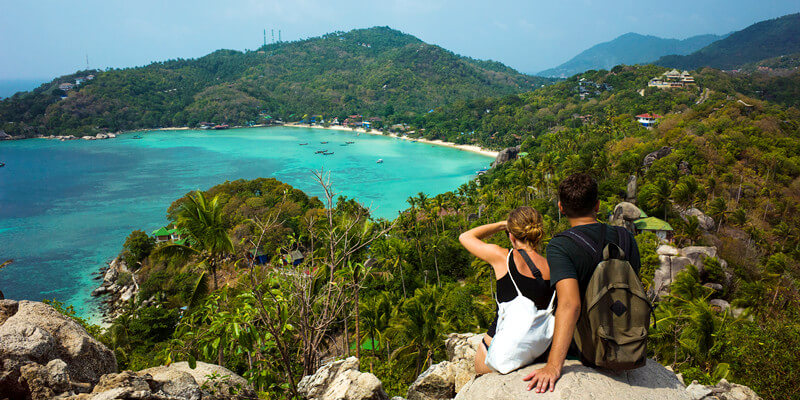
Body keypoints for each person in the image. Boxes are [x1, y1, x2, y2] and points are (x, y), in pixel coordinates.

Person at [523, 173, 641, 393]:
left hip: (586, 348)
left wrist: (553, 366)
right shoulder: (626, 238)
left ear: (561, 208)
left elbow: (570, 304)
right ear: (597, 205)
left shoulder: (560, 246)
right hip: (628, 340)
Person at [458, 206, 554, 375]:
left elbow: (465, 237)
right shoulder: (552, 266)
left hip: (499, 353)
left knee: (481, 358)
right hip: (537, 350)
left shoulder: (504, 258)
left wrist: (503, 224)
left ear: (511, 234)